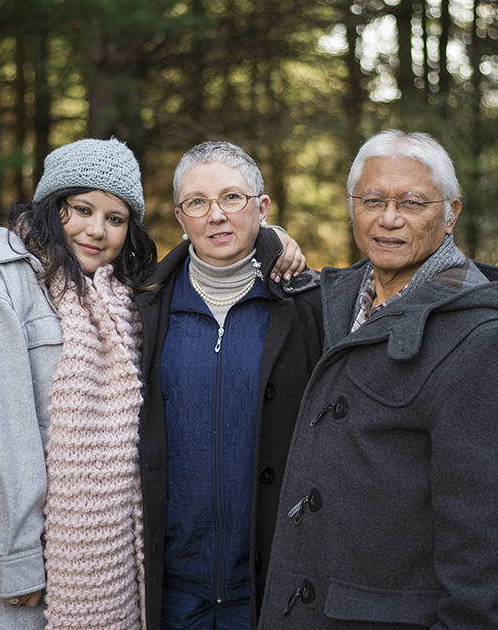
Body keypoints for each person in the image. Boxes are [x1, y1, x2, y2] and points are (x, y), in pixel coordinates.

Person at [257, 130, 498, 630]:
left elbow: (488, 539)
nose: (388, 218)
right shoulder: (335, 299)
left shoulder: (482, 337)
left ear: (451, 213)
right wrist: (267, 238)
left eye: (412, 203)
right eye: (373, 200)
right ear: (352, 208)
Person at [0, 138, 158, 630]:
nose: (96, 230)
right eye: (82, 208)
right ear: (50, 206)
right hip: (2, 573)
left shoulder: (107, 297)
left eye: (115, 218)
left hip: (77, 565)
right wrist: (17, 558)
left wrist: (268, 240)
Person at [135, 141, 325, 630]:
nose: (215, 215)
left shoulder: (307, 304)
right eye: (197, 202)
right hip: (175, 585)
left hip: (269, 586)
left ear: (262, 207)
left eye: (232, 198)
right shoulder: (144, 308)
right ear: (181, 217)